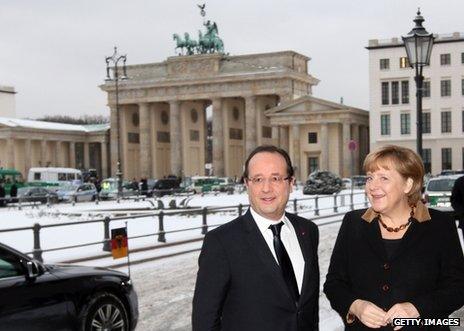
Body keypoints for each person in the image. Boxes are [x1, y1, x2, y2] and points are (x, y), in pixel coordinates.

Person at [324, 145, 464, 330]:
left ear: (408, 184)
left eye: (384, 178)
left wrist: (416, 308)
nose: (372, 186)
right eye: (369, 178)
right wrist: (356, 306)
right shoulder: (353, 223)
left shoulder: (439, 225)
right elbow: (334, 283)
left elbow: (457, 288)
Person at [192, 145, 319, 331]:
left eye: (275, 178)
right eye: (258, 179)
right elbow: (205, 321)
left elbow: (307, 308)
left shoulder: (308, 231)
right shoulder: (221, 242)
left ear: (291, 183)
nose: (266, 188)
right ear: (247, 184)